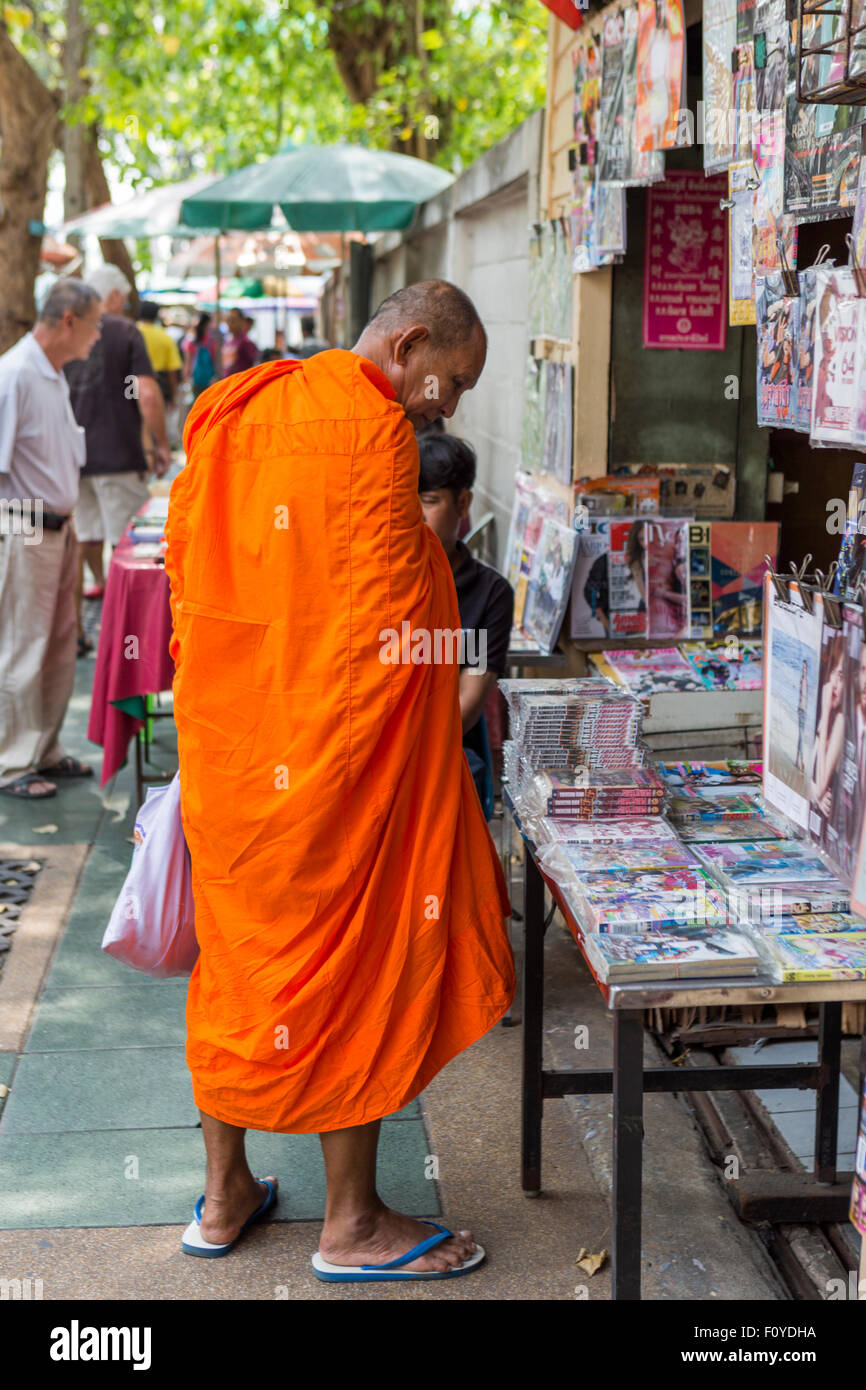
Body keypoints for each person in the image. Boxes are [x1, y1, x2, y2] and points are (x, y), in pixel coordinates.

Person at [165, 278, 514, 1280]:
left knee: (235, 963)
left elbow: (193, 564)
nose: (447, 405)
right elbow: (387, 626)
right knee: (351, 958)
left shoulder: (246, 403)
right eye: (449, 382)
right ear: (407, 347)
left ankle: (225, 1195)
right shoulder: (371, 434)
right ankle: (351, 1222)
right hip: (330, 760)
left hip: (236, 743)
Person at [0, 279, 102, 799]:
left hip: (58, 526)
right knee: (24, 643)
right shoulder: (15, 374)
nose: (97, 335)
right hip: (25, 525)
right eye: (94, 324)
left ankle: (44, 748)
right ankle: (13, 760)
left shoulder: (52, 375)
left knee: (61, 644)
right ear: (69, 321)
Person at [64, 266, 171, 626]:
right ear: (112, 296)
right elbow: (147, 394)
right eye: (123, 300)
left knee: (85, 539)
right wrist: (161, 445)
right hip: (117, 456)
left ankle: (78, 628)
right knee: (126, 545)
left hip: (73, 458)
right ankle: (125, 632)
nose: (125, 307)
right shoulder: (125, 331)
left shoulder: (69, 331)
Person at [418, 432, 514, 810]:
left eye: (428, 501)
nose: (415, 515)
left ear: (463, 502)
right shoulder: (377, 578)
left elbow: (468, 703)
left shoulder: (489, 594)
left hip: (445, 757)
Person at [136, 301, 182, 406]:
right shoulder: (165, 337)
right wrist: (173, 397)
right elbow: (172, 372)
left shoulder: (130, 333)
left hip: (132, 385)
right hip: (159, 385)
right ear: (156, 316)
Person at [185, 313, 219, 398]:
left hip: (195, 378)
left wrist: (186, 378)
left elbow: (187, 362)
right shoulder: (213, 341)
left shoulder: (192, 341)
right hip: (210, 379)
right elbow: (216, 360)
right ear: (207, 324)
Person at [221, 307, 258, 377]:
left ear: (242, 322)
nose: (230, 323)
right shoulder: (227, 341)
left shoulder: (246, 342)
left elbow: (255, 364)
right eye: (228, 320)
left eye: (233, 320)